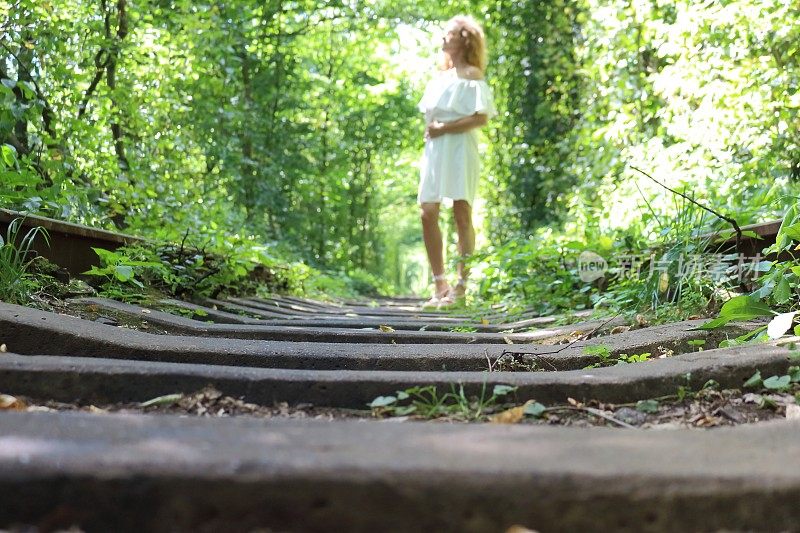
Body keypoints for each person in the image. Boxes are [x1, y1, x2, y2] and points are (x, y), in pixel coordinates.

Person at [417, 15, 496, 308]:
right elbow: (429, 116)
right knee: (427, 210)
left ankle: (461, 287)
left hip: (461, 146)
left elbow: (481, 116)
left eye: (448, 33)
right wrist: (434, 132)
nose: (442, 38)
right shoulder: (440, 78)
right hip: (436, 149)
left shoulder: (473, 76)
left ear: (464, 39)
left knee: (462, 211)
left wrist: (444, 128)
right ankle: (440, 284)